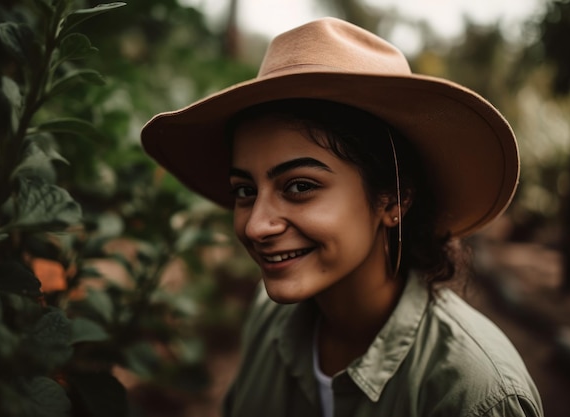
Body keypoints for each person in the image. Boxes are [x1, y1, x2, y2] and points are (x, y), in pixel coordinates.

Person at [141, 17, 543, 417]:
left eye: (299, 186)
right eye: (245, 191)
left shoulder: (475, 395)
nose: (255, 225)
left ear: (393, 200)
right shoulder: (269, 319)